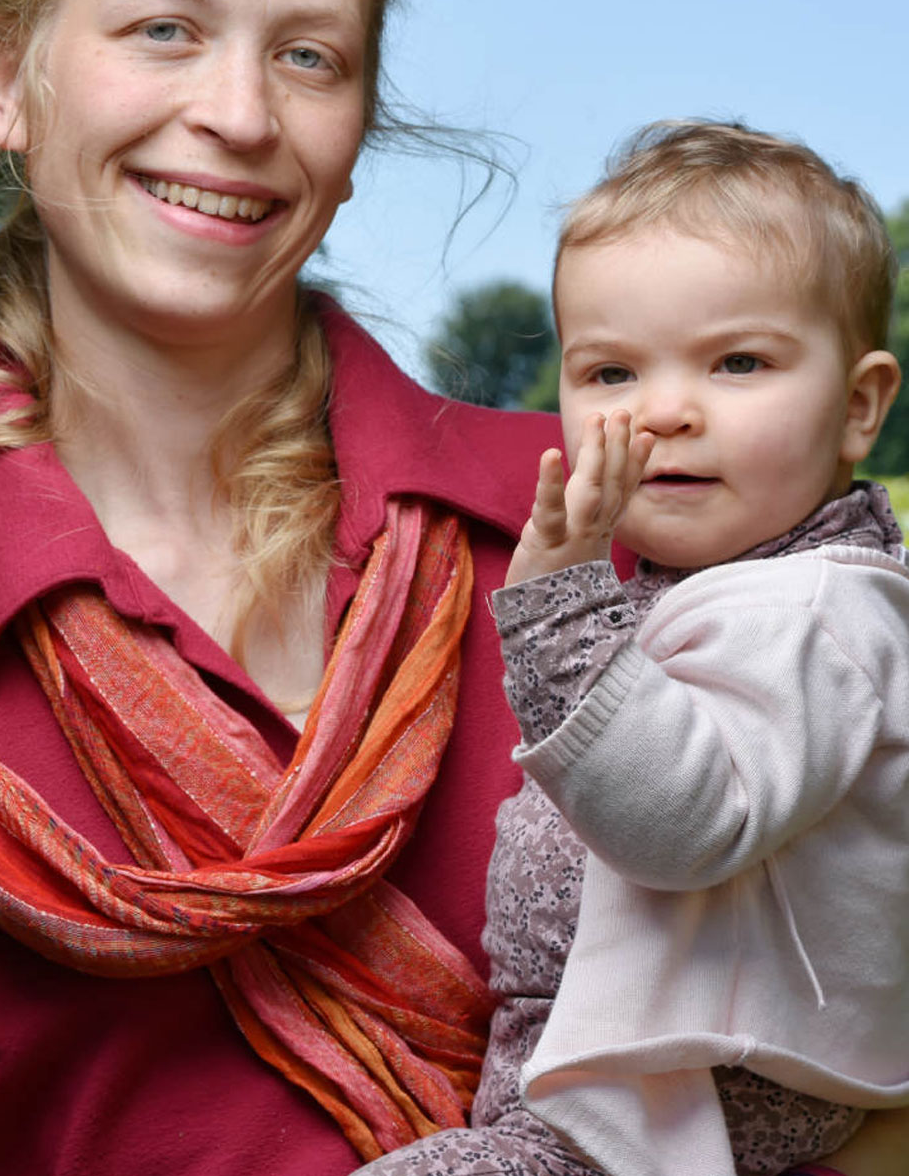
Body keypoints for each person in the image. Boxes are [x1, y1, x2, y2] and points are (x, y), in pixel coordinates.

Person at [0, 0, 564, 1176]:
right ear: (11, 80)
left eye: (310, 55)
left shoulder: (597, 516)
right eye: (164, 30)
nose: (241, 114)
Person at [361, 120, 909, 1176]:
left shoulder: (811, 614)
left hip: (690, 1092)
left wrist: (562, 612)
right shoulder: (720, 585)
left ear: (856, 407)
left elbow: (690, 821)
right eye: (610, 372)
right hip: (634, 1067)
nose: (663, 412)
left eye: (737, 362)